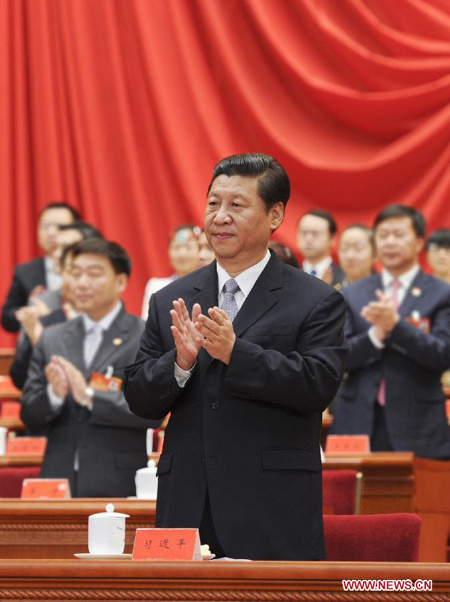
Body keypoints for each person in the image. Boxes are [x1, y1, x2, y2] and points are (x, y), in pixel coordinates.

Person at [124, 153, 347, 560]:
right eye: (213, 203)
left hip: (272, 506)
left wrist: (235, 353)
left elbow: (318, 385)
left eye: (237, 205)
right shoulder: (169, 299)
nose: (220, 216)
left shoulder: (316, 300)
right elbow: (139, 397)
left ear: (275, 215)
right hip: (187, 504)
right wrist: (180, 364)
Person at [20, 238, 160, 497]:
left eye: (93, 273)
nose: (81, 283)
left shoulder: (143, 336)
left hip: (118, 483)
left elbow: (152, 412)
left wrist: (90, 396)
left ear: (120, 281)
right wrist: (54, 395)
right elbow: (29, 416)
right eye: (74, 273)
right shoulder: (52, 338)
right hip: (55, 483)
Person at [331, 205, 450, 458]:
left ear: (419, 242)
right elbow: (339, 358)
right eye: (383, 235)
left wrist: (396, 326)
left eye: (398, 234)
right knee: (354, 497)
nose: (390, 242)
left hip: (419, 424)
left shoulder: (441, 293)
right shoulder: (354, 293)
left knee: (423, 498)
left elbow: (442, 355)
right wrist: (375, 336)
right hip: (358, 420)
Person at [2, 201, 81, 332]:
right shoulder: (25, 271)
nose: (51, 232)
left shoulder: (87, 269)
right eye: (46, 226)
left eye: (60, 226)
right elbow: (7, 319)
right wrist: (25, 313)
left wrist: (49, 317)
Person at [141, 225, 201, 319]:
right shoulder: (156, 287)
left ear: (201, 251)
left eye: (189, 248)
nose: (182, 254)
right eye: (176, 248)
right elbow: (146, 325)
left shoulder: (209, 286)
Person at [297, 209, 345, 288]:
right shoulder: (288, 278)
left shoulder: (344, 277)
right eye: (304, 233)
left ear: (332, 239)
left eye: (315, 233)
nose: (308, 239)